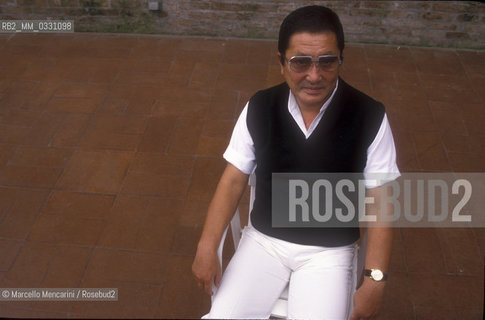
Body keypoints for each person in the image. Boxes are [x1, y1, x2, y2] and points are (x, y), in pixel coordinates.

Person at [192, 5, 399, 320]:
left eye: (327, 62)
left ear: (340, 59)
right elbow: (233, 180)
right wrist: (207, 246)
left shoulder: (370, 116)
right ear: (281, 62)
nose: (314, 76)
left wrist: (376, 279)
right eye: (300, 62)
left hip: (329, 252)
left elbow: (381, 200)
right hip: (264, 242)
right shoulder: (260, 107)